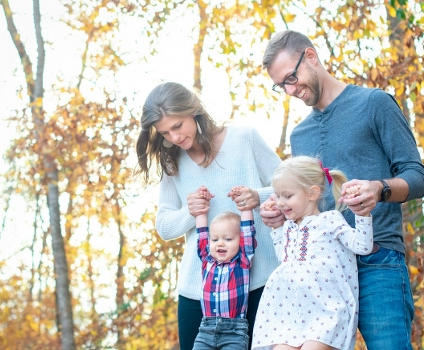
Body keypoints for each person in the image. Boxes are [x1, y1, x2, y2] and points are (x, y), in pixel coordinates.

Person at [259, 30, 424, 349]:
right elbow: (309, 206)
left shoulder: (374, 103)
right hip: (319, 276)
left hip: (376, 262)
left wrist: (379, 188)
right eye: (281, 85)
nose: (290, 90)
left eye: (291, 78)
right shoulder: (300, 135)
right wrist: (282, 215)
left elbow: (418, 178)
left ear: (311, 56)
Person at [135, 82, 281, 350]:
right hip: (199, 293)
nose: (174, 137)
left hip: (260, 283)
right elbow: (164, 227)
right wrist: (190, 212)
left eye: (178, 125)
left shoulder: (245, 138)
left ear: (193, 111)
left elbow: (293, 188)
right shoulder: (172, 162)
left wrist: (258, 196)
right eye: (165, 132)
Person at [252, 156, 374, 350]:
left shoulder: (330, 220)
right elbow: (284, 259)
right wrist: (277, 229)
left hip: (324, 311)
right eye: (278, 196)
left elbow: (362, 246)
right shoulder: (289, 226)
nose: (281, 203)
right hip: (288, 313)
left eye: (287, 196)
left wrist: (362, 215)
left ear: (312, 193)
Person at [192, 186, 257, 350]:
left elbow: (248, 232)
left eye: (227, 239)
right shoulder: (207, 260)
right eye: (215, 240)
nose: (220, 243)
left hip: (234, 332)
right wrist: (201, 209)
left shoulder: (242, 261)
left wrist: (245, 207)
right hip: (205, 330)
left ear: (239, 241)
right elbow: (201, 233)